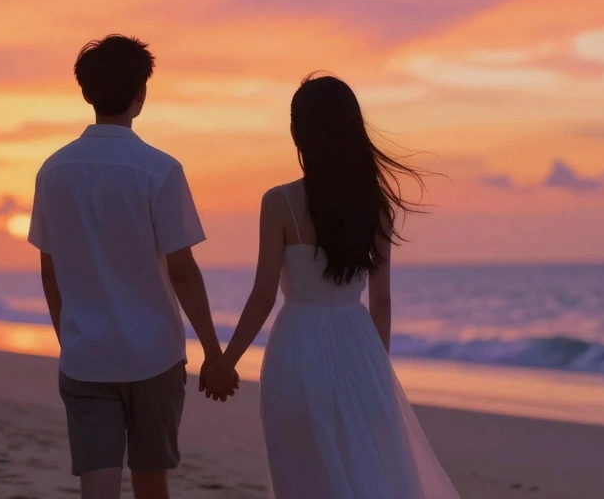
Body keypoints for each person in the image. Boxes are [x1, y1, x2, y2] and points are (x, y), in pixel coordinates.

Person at [202, 74, 460, 499]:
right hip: (358, 345)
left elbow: (264, 295)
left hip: (297, 349)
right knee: (366, 471)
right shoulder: (375, 206)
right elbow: (382, 299)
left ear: (298, 132)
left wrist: (226, 362)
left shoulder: (279, 202)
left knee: (301, 475)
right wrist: (377, 371)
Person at [28, 35, 235, 499]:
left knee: (97, 488)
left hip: (86, 356)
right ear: (141, 95)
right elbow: (182, 270)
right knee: (151, 482)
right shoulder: (159, 169)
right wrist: (214, 354)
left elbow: (50, 270)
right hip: (154, 356)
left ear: (86, 93)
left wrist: (73, 340)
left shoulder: (54, 171)